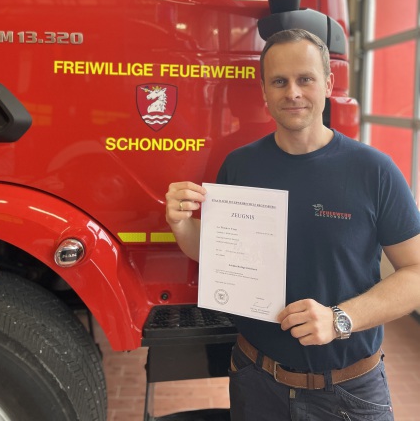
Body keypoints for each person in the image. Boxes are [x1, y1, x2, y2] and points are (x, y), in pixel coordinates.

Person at [165, 28, 420, 421]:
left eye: (305, 79)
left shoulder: (374, 171)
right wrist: (181, 225)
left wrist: (339, 319)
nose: (293, 93)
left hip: (348, 391)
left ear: (328, 84)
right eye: (279, 82)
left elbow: (416, 272)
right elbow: (217, 253)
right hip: (256, 381)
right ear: (264, 91)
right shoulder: (240, 166)